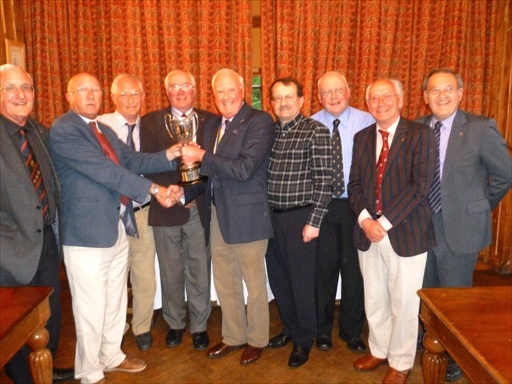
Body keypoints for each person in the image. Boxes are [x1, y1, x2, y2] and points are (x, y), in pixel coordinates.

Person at [48, 72, 180, 384]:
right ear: (69, 96)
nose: (91, 95)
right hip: (85, 234)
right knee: (90, 306)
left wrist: (171, 154)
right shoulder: (64, 130)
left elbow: (132, 160)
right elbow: (105, 171)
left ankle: (111, 355)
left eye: (95, 90)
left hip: (116, 226)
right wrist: (156, 191)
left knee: (115, 299)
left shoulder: (101, 129)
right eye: (83, 90)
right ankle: (90, 370)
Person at [417, 68, 512, 381]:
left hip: (459, 226)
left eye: (448, 89)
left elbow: (505, 174)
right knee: (426, 290)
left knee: (455, 295)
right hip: (422, 225)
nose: (441, 96)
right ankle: (430, 343)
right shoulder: (416, 128)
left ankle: (456, 355)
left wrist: (479, 206)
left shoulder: (480, 128)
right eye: (434, 90)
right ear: (425, 96)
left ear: (460, 93)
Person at [178, 68, 275, 366]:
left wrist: (202, 156)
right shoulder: (211, 126)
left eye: (230, 89)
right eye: (219, 92)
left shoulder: (259, 121)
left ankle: (258, 338)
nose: (225, 96)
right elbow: (205, 173)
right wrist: (183, 195)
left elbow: (244, 168)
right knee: (226, 280)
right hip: (217, 214)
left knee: (254, 283)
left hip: (248, 216)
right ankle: (233, 335)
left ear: (243, 89)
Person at [349, 78, 436, 384]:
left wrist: (383, 224)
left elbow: (420, 185)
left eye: (387, 97)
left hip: (405, 233)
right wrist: (364, 220)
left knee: (404, 301)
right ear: (367, 103)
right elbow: (355, 186)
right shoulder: (361, 138)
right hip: (366, 231)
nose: (380, 103)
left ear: (400, 99)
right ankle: (379, 349)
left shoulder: (420, 134)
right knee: (374, 296)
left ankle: (400, 362)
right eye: (373, 98)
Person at [0, 64, 74, 383]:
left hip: (45, 242)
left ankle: (43, 369)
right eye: (11, 88)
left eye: (27, 88)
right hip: (8, 253)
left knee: (50, 317)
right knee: (15, 330)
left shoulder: (38, 131)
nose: (20, 95)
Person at [140, 69, 216, 351]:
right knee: (170, 270)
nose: (180, 91)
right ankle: (175, 323)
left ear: (195, 90)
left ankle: (199, 325)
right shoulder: (149, 122)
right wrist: (164, 192)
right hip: (164, 206)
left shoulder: (210, 120)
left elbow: (214, 164)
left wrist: (189, 191)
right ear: (166, 91)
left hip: (198, 206)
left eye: (186, 86)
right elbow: (144, 162)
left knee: (199, 267)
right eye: (174, 87)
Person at [266, 77, 332, 367]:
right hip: (270, 219)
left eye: (289, 97)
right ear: (271, 103)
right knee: (280, 280)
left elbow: (325, 181)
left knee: (303, 283)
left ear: (302, 100)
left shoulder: (315, 131)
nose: (283, 103)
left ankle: (305, 339)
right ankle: (290, 329)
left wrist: (314, 221)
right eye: (278, 98)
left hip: (301, 218)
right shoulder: (268, 132)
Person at [311, 71, 374, 353]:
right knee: (323, 272)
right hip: (322, 206)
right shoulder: (310, 124)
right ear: (319, 96)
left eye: (338, 90)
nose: (334, 96)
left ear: (349, 91)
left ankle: (351, 331)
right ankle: (321, 331)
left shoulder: (367, 120)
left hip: (356, 206)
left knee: (354, 273)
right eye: (327, 92)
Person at [96, 73, 157, 351]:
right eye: (124, 94)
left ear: (143, 97)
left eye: (136, 94)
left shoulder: (153, 126)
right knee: (114, 278)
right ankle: (114, 329)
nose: (131, 100)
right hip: (112, 213)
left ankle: (142, 326)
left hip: (143, 211)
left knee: (144, 274)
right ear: (113, 98)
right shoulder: (100, 126)